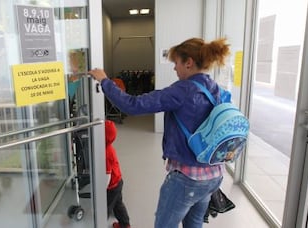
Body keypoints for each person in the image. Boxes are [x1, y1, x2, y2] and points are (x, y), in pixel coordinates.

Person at [89, 37, 230, 228]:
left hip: (188, 178)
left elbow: (133, 105)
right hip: (214, 174)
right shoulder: (216, 89)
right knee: (195, 223)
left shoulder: (183, 90)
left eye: (176, 63)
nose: (174, 68)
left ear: (188, 63)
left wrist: (105, 81)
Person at [104, 120, 131, 228]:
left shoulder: (105, 153)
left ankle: (100, 223)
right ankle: (125, 225)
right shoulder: (109, 147)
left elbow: (107, 175)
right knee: (118, 205)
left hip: (111, 186)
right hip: (118, 181)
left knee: (105, 208)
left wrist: (102, 189)